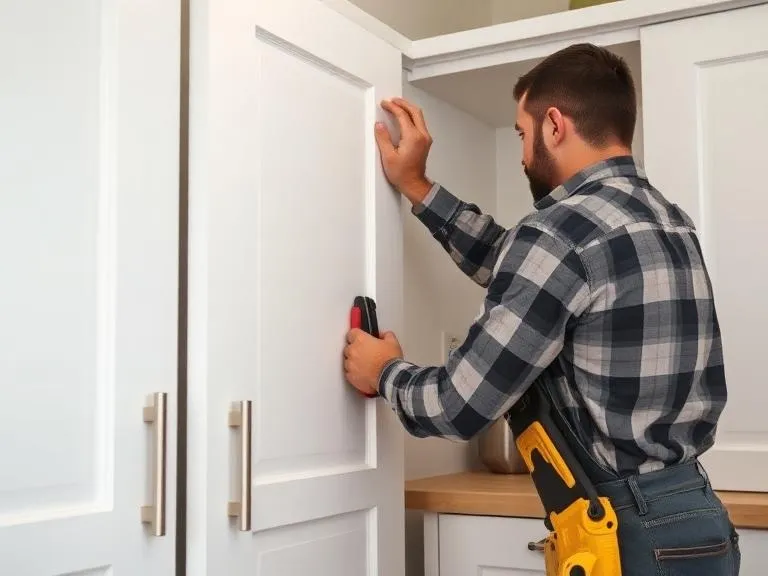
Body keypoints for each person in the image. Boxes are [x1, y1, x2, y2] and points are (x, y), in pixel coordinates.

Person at [343, 43, 740, 575]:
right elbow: (526, 269)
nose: (523, 154)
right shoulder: (669, 221)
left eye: (522, 133)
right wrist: (418, 187)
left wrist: (383, 371)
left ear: (554, 125)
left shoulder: (560, 233)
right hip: (700, 520)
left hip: (628, 533)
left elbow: (458, 407)